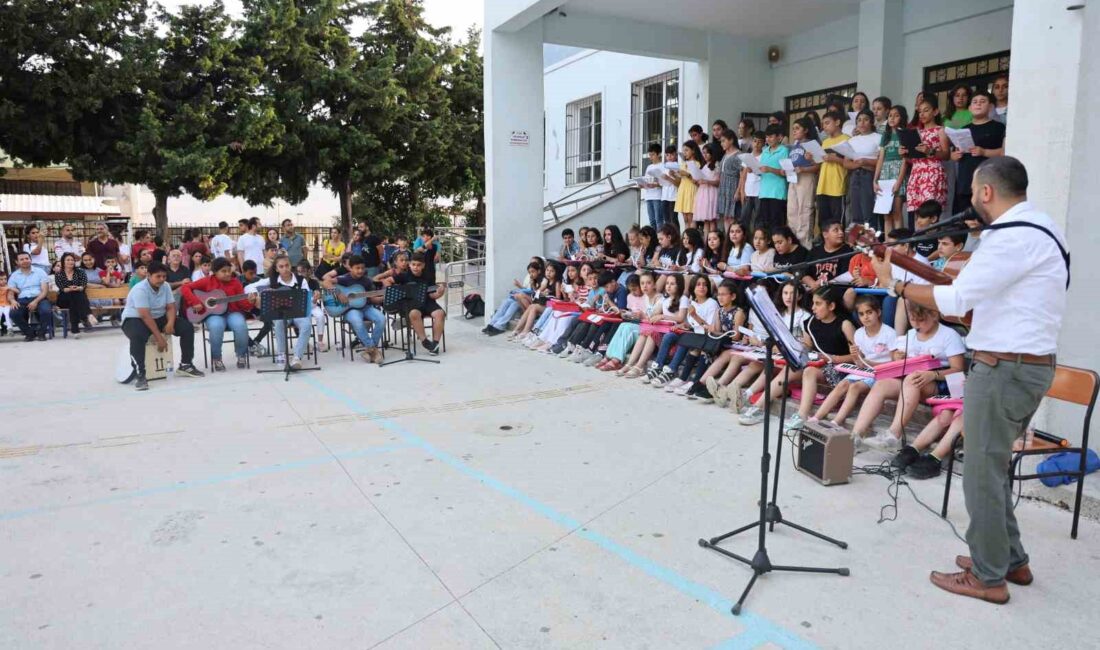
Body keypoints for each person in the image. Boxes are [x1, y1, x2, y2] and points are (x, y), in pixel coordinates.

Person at [872, 156, 1066, 603]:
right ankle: (1008, 559)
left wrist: (897, 287)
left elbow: (958, 300)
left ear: (985, 193)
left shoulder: (1010, 237)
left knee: (979, 471)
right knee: (991, 467)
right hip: (1023, 365)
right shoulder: (1040, 226)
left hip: (1004, 368)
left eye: (972, 194)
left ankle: (987, 576)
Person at [809, 295, 896, 427]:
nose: (865, 317)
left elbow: (893, 363)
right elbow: (859, 362)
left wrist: (867, 363)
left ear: (878, 312)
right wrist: (856, 357)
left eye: (869, 312)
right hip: (865, 369)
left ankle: (836, 421)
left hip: (881, 372)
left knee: (855, 387)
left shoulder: (889, 333)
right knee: (842, 385)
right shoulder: (859, 333)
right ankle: (816, 417)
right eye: (861, 314)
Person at [121, 261, 204, 390]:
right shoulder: (140, 289)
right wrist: (160, 338)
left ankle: (185, 365)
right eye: (158, 276)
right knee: (138, 336)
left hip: (159, 316)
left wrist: (170, 323)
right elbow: (145, 315)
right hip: (135, 319)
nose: (162, 279)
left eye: (164, 276)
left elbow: (170, 307)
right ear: (149, 275)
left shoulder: (165, 286)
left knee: (187, 327)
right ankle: (140, 375)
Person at [180, 258, 253, 372]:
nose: (228, 273)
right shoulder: (207, 281)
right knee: (216, 327)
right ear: (215, 272)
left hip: (233, 313)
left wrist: (250, 301)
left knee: (240, 326)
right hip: (213, 314)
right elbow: (185, 287)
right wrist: (195, 302)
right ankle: (217, 358)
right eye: (223, 271)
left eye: (229, 270)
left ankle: (241, 355)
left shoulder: (235, 283)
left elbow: (244, 305)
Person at [244, 254, 312, 368]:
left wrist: (313, 299)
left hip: (298, 313)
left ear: (291, 266)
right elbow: (248, 287)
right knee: (279, 322)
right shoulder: (271, 280)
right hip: (281, 314)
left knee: (306, 324)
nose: (285, 269)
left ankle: (297, 357)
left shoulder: (301, 280)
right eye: (281, 266)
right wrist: (255, 295)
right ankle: (281, 354)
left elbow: (307, 300)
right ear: (276, 269)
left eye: (287, 265)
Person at [322, 255, 386, 363]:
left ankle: (370, 350)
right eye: (357, 268)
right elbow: (325, 282)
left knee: (381, 319)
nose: (360, 270)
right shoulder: (344, 279)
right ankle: (373, 350)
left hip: (366, 307)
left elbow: (373, 299)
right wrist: (338, 293)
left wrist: (384, 296)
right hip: (351, 309)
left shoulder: (367, 281)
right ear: (350, 268)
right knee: (357, 321)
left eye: (362, 268)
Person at [951, 91, 1006, 212]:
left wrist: (984, 152)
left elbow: (1004, 152)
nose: (978, 105)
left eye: (982, 101)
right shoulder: (963, 129)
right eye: (975, 102)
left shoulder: (998, 127)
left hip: (988, 181)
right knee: (965, 222)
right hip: (965, 182)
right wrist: (955, 155)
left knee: (985, 219)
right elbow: (953, 155)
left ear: (991, 106)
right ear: (970, 108)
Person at [903, 95, 949, 219]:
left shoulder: (940, 130)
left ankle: (932, 238)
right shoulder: (916, 132)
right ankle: (920, 237)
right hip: (916, 172)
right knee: (917, 213)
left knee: (930, 211)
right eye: (919, 111)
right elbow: (913, 159)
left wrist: (930, 151)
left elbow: (947, 154)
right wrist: (904, 154)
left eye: (926, 110)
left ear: (935, 111)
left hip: (932, 173)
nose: (922, 114)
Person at [394, 252, 446, 355]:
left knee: (440, 313)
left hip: (427, 301)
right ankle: (425, 342)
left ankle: (434, 344)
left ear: (423, 265)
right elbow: (387, 281)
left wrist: (440, 293)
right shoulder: (404, 276)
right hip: (412, 303)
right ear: (409, 264)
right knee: (414, 314)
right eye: (413, 264)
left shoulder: (428, 276)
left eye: (418, 265)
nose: (415, 267)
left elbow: (432, 295)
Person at [873, 105, 911, 235]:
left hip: (898, 173)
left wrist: (899, 182)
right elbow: (880, 159)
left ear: (902, 118)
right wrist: (875, 180)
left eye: (896, 115)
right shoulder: (886, 135)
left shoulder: (904, 134)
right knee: (886, 213)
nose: (892, 118)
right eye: (890, 115)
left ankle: (899, 243)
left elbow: (905, 161)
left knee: (896, 212)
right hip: (885, 174)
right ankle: (888, 244)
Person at [786, 117, 820, 248]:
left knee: (804, 210)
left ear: (806, 130)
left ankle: (805, 244)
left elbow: (818, 165)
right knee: (792, 211)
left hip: (806, 178)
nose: (794, 131)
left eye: (797, 128)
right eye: (793, 128)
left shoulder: (812, 144)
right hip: (793, 179)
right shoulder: (794, 146)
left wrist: (804, 169)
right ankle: (794, 243)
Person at [844, 110, 881, 228]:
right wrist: (859, 164)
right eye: (859, 120)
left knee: (868, 210)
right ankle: (858, 243)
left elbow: (881, 160)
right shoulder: (852, 140)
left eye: (865, 119)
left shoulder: (878, 137)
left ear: (872, 121)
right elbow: (846, 163)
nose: (862, 123)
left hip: (870, 175)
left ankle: (871, 242)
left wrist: (866, 161)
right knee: (856, 210)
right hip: (855, 175)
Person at [815, 111, 850, 229]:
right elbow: (820, 162)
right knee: (823, 221)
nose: (824, 126)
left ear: (838, 122)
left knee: (837, 221)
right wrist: (811, 158)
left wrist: (835, 158)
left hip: (837, 186)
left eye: (827, 123)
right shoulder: (825, 142)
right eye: (823, 124)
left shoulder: (846, 139)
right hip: (822, 186)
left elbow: (850, 163)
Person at [7, 251, 52, 341]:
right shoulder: (14, 275)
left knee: (46, 311)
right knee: (13, 313)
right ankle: (29, 333)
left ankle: (41, 333)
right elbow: (10, 293)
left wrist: (35, 301)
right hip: (22, 299)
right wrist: (12, 301)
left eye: (27, 258)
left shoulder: (40, 272)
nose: (25, 261)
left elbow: (45, 291)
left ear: (30, 260)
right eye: (22, 259)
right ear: (17, 262)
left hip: (40, 298)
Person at [755, 125, 790, 234]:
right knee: (765, 223)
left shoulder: (784, 150)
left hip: (777, 192)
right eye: (767, 137)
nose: (768, 139)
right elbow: (762, 170)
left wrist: (770, 169)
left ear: (779, 137)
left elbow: (786, 173)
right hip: (764, 192)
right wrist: (756, 170)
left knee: (776, 223)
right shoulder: (765, 151)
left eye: (771, 137)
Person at [736, 131, 764, 232]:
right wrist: (742, 191)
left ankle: (757, 240)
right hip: (748, 191)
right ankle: (745, 239)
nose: (756, 144)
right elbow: (743, 176)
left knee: (758, 218)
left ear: (763, 144)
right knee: (744, 218)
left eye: (760, 142)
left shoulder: (764, 156)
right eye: (755, 141)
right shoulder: (747, 156)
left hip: (759, 192)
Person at [716, 129, 743, 234]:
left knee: (731, 217)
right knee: (725, 217)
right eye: (721, 141)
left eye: (724, 141)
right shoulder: (725, 154)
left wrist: (738, 191)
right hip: (723, 186)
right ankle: (728, 239)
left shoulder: (738, 155)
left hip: (732, 186)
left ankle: (732, 239)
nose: (722, 143)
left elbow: (742, 175)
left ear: (731, 140)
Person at [671, 140, 703, 230]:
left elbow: (696, 180)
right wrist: (673, 175)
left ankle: (692, 237)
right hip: (683, 190)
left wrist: (687, 174)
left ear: (693, 150)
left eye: (686, 150)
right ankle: (686, 238)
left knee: (691, 217)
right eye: (683, 151)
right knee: (685, 218)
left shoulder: (697, 163)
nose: (684, 153)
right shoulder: (683, 163)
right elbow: (680, 180)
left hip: (691, 190)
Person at [693, 141, 722, 234]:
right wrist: (697, 181)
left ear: (712, 153)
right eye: (703, 153)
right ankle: (706, 243)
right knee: (706, 220)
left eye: (707, 153)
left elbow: (718, 182)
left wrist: (706, 181)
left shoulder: (716, 164)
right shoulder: (703, 165)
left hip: (711, 192)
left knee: (712, 219)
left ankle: (713, 238)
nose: (704, 155)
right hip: (703, 193)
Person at [642, 143, 669, 230]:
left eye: (653, 154)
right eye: (649, 155)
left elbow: (665, 182)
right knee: (652, 221)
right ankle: (653, 239)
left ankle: (660, 239)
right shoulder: (649, 167)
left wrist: (656, 184)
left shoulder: (663, 166)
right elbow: (646, 180)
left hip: (658, 196)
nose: (651, 157)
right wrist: (642, 184)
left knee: (659, 220)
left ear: (659, 154)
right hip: (648, 196)